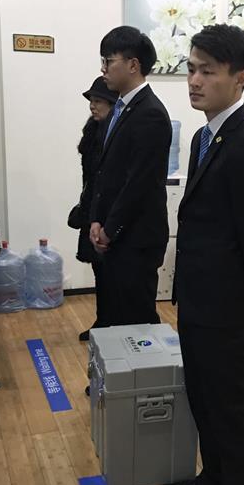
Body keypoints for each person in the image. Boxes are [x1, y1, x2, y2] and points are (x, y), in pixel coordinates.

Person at [165, 24, 244, 485]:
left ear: (240, 78)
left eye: (208, 71)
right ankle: (213, 477)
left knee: (231, 404)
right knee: (202, 393)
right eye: (191, 68)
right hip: (198, 293)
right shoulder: (204, 136)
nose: (194, 80)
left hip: (230, 302)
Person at [89, 26, 172, 326]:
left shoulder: (150, 113)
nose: (103, 69)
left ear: (133, 65)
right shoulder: (120, 109)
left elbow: (140, 183)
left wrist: (110, 229)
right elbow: (104, 173)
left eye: (109, 61)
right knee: (114, 319)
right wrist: (96, 220)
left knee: (136, 324)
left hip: (136, 239)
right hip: (114, 235)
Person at [71, 77, 118, 342]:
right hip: (92, 208)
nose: (93, 106)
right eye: (91, 101)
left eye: (99, 101)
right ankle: (102, 321)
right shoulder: (93, 131)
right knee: (99, 271)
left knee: (111, 273)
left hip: (110, 214)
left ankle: (111, 324)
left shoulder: (116, 133)